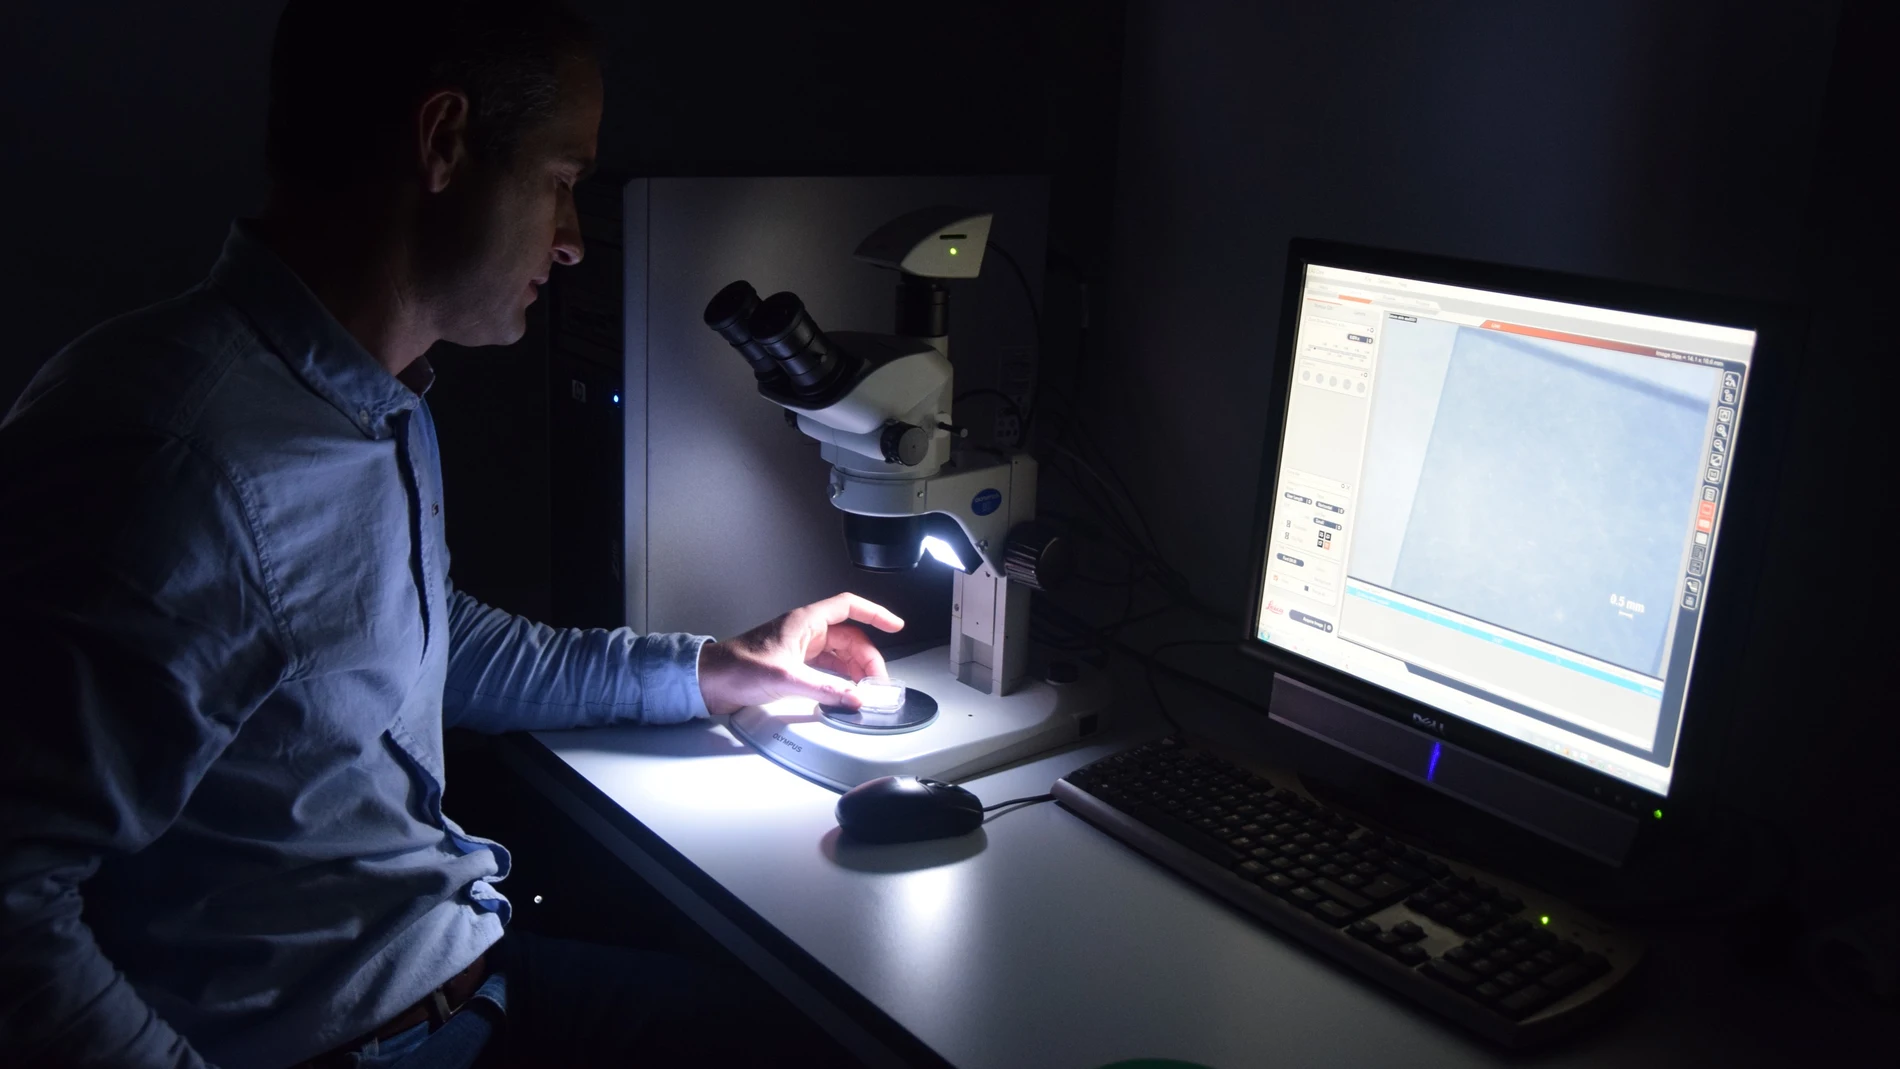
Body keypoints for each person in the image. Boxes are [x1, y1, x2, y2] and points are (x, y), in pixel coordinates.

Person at [0, 2, 902, 1066]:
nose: (571, 242)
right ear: (441, 143)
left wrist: (715, 668)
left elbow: (418, 646)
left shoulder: (376, 397)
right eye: (561, 181)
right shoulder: (169, 459)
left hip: (466, 972)